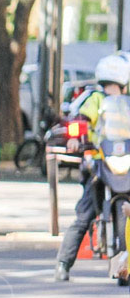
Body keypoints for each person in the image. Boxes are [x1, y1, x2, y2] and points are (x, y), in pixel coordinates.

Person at [56, 54, 130, 281]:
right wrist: (75, 139)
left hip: (125, 161)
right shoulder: (94, 99)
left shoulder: (127, 104)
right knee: (85, 213)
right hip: (100, 163)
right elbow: (82, 121)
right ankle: (63, 263)